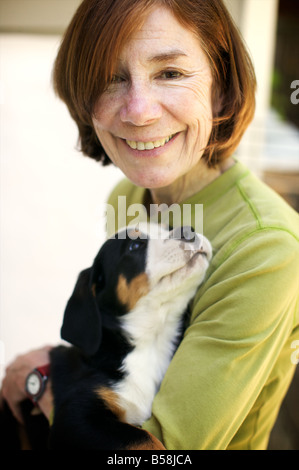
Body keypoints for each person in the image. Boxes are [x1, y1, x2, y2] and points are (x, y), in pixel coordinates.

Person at [1, 0, 298, 450]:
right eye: (111, 78)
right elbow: (115, 350)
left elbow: (158, 453)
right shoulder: (128, 197)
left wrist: (42, 383)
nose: (138, 111)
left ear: (220, 89)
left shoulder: (266, 246)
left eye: (171, 73)